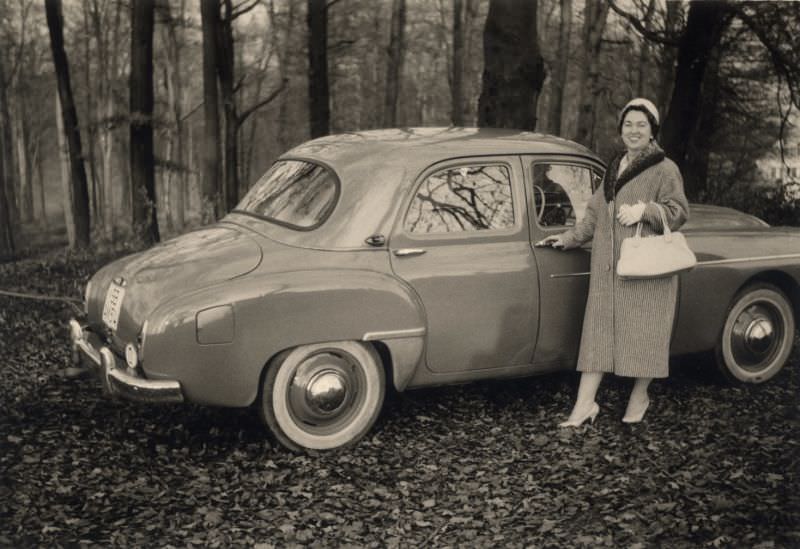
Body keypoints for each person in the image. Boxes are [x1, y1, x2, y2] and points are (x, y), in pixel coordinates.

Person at [537, 98, 689, 426]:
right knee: (598, 335)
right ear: (621, 130)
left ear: (652, 132)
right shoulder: (614, 165)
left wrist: (645, 211)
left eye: (641, 125)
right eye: (628, 125)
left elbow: (678, 212)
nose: (633, 131)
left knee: (644, 334)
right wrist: (568, 238)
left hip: (646, 271)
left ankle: (640, 395)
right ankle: (584, 406)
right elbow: (594, 215)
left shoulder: (665, 168)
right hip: (608, 270)